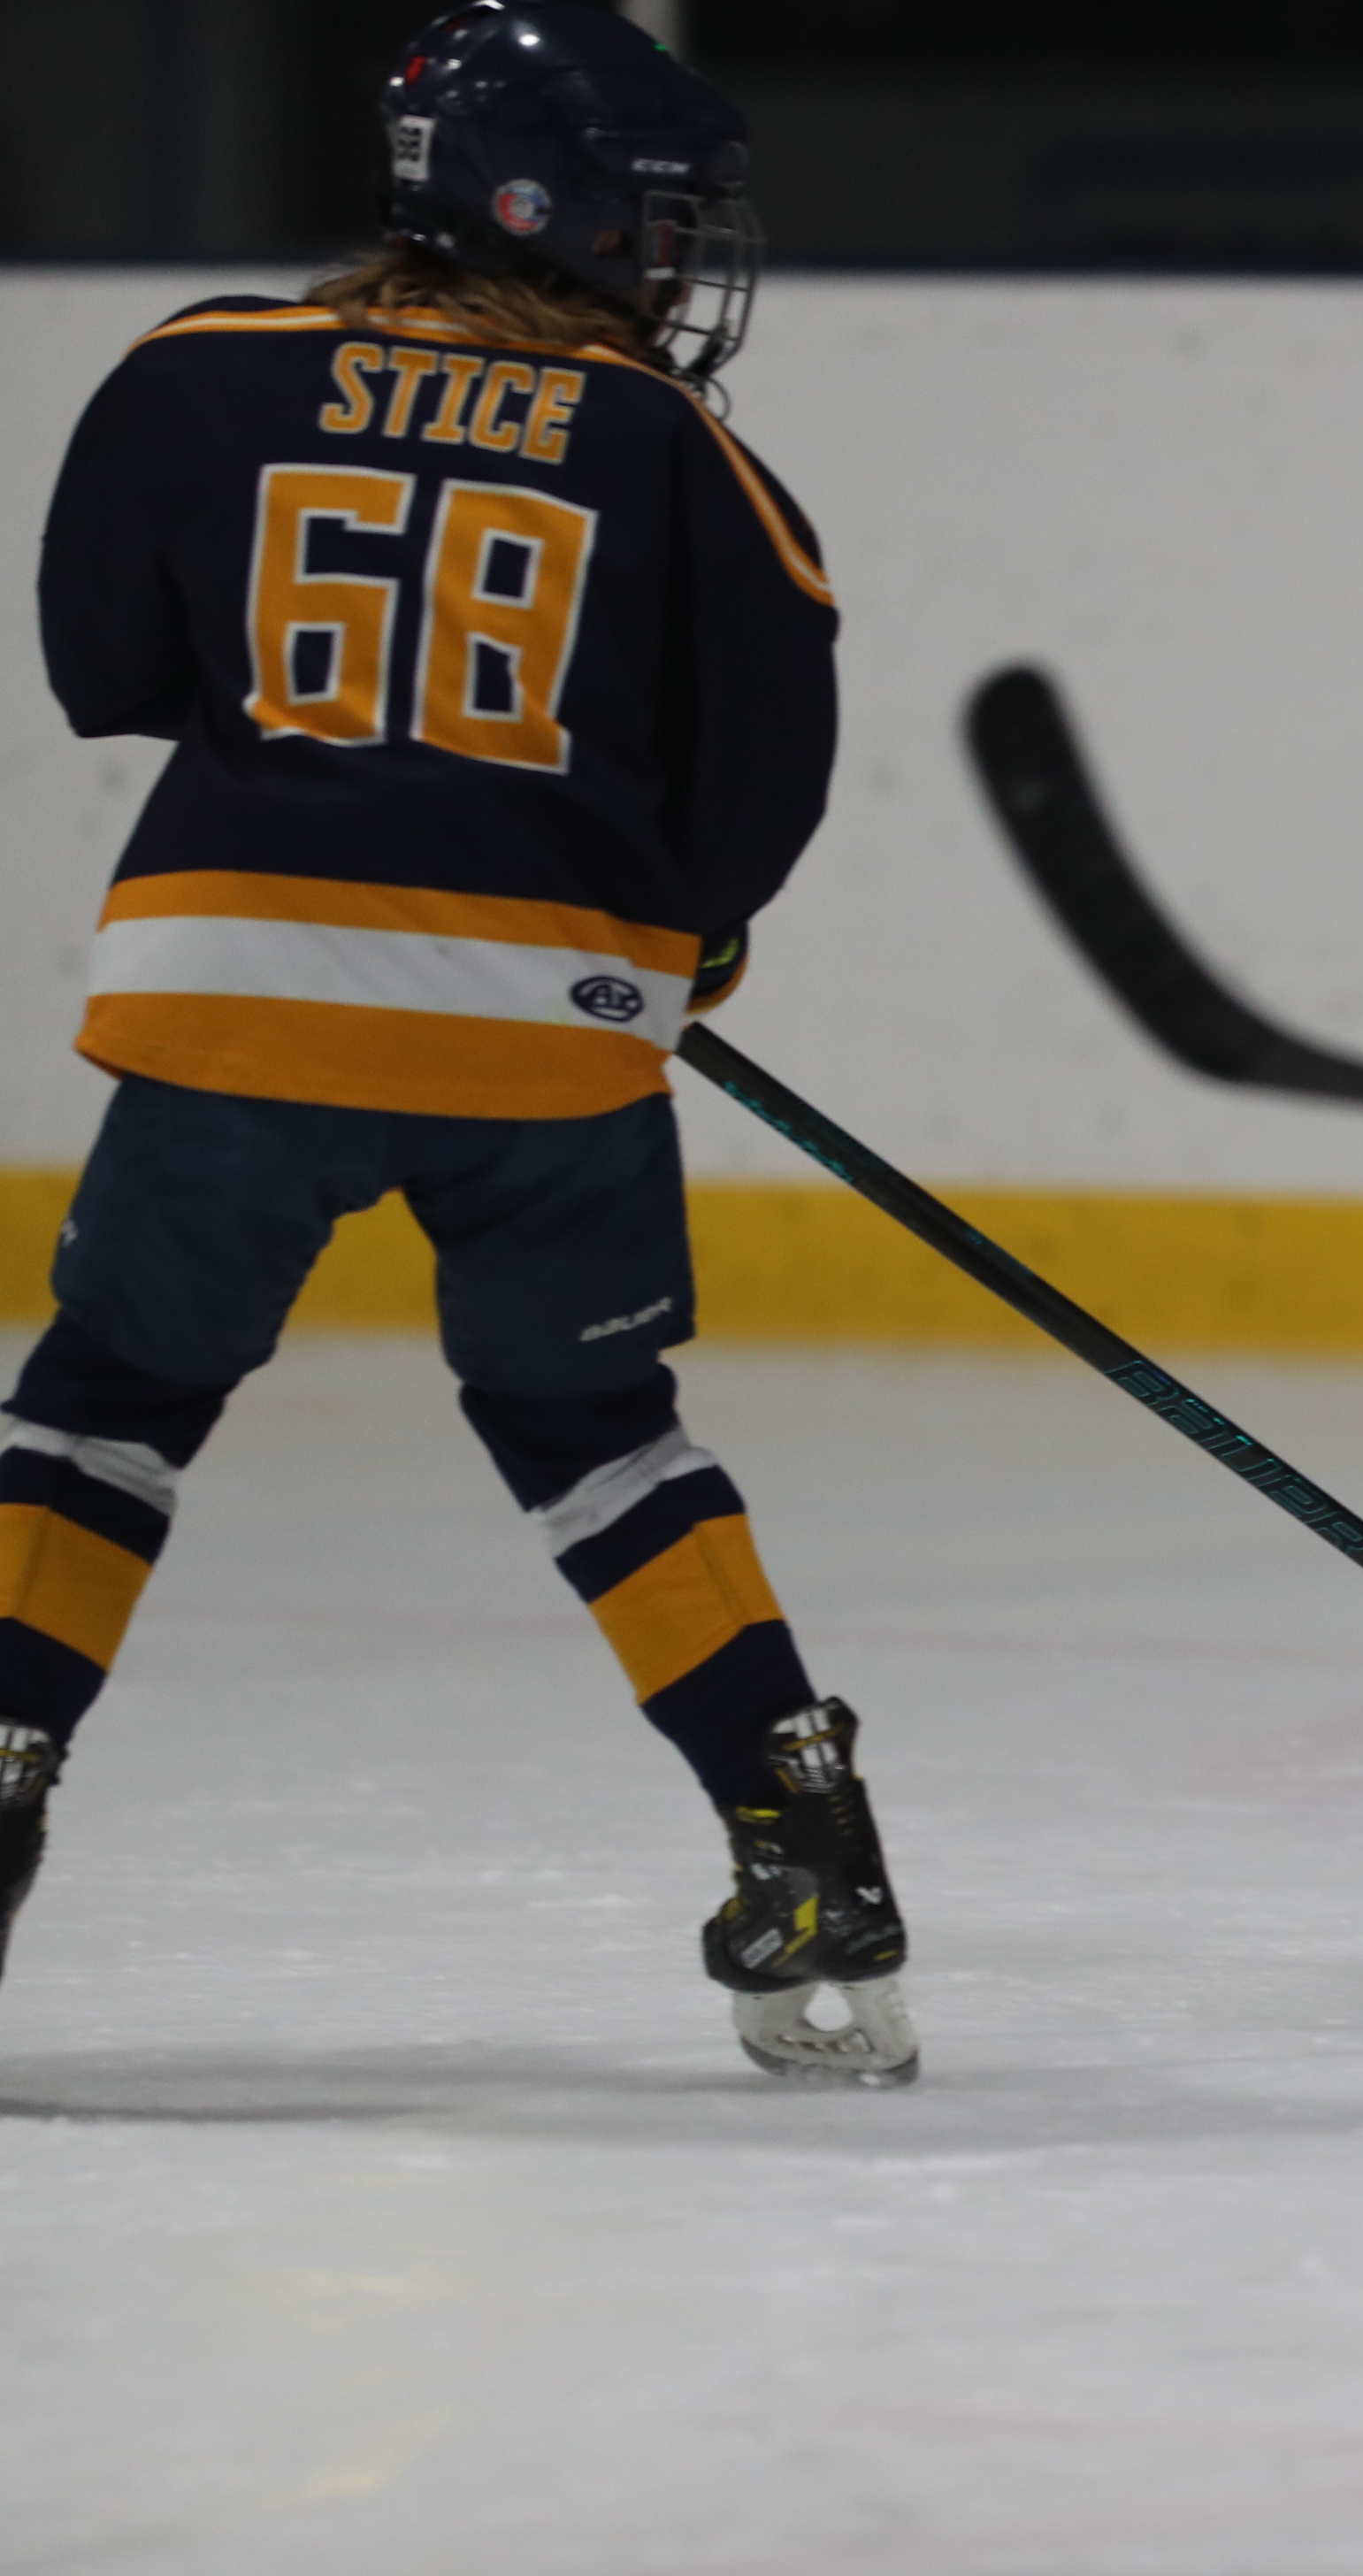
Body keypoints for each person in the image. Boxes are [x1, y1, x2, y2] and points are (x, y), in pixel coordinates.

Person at [10, 2, 914, 2084]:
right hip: (544, 1029)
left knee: (106, 1413)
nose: (678, 265)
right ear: (549, 205)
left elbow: (105, 662)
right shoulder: (679, 451)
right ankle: (801, 1835)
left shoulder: (191, 372)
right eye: (657, 221)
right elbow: (754, 794)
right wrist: (681, 944)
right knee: (602, 1438)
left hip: (235, 984)